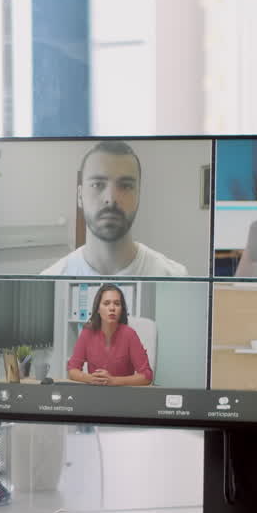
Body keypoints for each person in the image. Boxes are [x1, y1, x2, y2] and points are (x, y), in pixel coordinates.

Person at [42, 141, 189, 277]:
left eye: (125, 186)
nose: (111, 199)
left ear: (138, 195)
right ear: (80, 196)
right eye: (97, 185)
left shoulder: (174, 277)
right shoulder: (51, 280)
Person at [67, 283, 153, 386]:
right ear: (98, 309)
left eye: (117, 304)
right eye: (106, 303)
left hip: (122, 395)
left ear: (122, 309)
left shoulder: (130, 335)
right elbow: (72, 370)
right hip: (95, 394)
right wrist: (90, 378)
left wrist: (114, 381)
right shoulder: (87, 333)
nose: (112, 308)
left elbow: (147, 376)